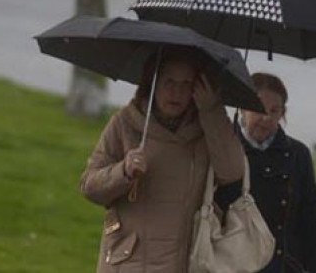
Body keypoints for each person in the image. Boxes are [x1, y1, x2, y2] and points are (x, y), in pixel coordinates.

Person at [79, 49, 245, 272]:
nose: (176, 92)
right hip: (129, 262)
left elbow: (232, 172)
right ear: (153, 83)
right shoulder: (126, 123)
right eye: (169, 82)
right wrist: (124, 171)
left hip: (183, 260)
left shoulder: (206, 127)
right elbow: (89, 186)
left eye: (186, 84)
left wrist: (212, 111)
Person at [218, 72, 316, 273]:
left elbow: (311, 223)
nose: (266, 118)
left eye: (274, 111)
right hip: (231, 264)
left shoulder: (297, 154)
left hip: (283, 265)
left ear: (283, 114)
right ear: (242, 108)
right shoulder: (223, 148)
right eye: (258, 109)